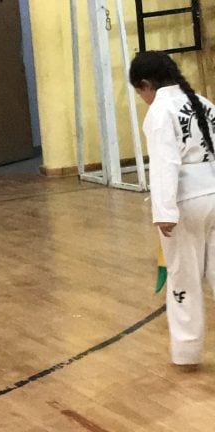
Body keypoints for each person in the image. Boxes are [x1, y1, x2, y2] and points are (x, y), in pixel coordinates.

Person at [130, 51, 215, 370]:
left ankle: (187, 352)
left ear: (146, 84)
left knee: (184, 277)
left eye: (140, 93)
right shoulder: (202, 103)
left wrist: (163, 211)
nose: (143, 99)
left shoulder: (161, 110)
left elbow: (165, 163)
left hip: (187, 201)